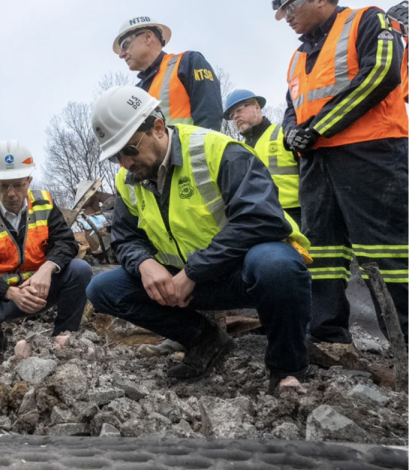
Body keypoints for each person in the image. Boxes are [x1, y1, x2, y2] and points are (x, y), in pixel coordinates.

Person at [86, 86, 312, 394]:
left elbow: (262, 218)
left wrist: (194, 271)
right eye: (116, 157)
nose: (125, 163)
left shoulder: (218, 151)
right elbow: (125, 239)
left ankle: (287, 368)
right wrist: (145, 264)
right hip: (187, 285)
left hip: (241, 274)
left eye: (129, 149)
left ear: (157, 127)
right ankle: (205, 340)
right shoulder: (128, 181)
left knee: (277, 265)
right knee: (104, 288)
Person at [274, 0, 408, 344]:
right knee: (323, 251)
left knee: (385, 251)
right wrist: (292, 132)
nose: (286, 17)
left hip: (372, 152)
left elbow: (381, 73)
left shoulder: (367, 20)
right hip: (317, 163)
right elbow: (293, 105)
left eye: (289, 6)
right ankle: (327, 334)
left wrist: (318, 128)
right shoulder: (297, 57)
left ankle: (404, 339)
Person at [0, 141, 91, 359]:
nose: (11, 194)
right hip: (0, 297)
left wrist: (46, 269)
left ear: (29, 180)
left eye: (18, 185)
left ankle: (63, 337)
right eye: (3, 186)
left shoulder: (45, 204)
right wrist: (10, 293)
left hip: (40, 289)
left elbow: (66, 243)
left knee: (80, 269)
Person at [113, 16, 224, 131]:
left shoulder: (187, 63)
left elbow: (210, 117)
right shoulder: (136, 91)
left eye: (125, 45)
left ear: (147, 37)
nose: (121, 55)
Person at [224, 89, 302, 225]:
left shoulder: (283, 134)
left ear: (257, 107)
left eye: (239, 110)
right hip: (259, 216)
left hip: (296, 213)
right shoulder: (238, 149)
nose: (235, 116)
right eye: (232, 115)